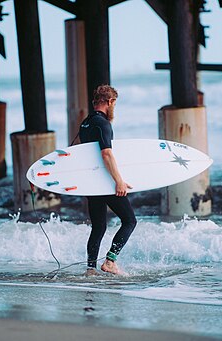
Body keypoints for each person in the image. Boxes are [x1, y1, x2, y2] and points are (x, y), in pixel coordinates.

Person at [79, 84, 137, 276]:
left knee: (99, 226)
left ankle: (90, 269)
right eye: (114, 104)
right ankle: (111, 261)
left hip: (91, 182)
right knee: (129, 221)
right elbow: (106, 154)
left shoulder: (85, 123)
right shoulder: (103, 124)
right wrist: (119, 181)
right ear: (110, 102)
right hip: (104, 181)